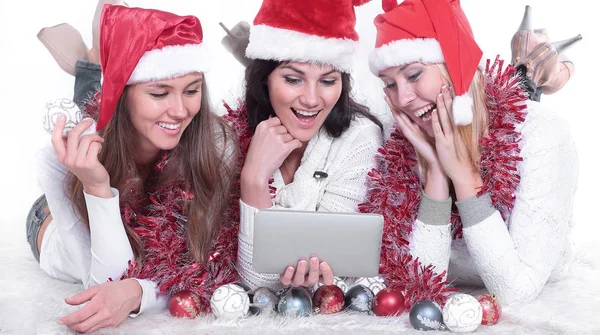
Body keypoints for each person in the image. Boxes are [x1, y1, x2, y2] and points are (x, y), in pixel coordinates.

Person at [27, 5, 237, 332]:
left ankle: (98, 56)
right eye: (159, 92)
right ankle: (91, 64)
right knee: (90, 115)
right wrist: (96, 188)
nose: (181, 110)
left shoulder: (215, 141)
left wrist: (140, 291)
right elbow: (106, 286)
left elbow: (207, 263)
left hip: (124, 159)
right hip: (53, 220)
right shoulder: (59, 162)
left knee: (102, 113)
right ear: (124, 94)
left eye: (192, 90)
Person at [364, 0, 579, 305]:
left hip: (494, 113)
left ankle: (544, 70)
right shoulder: (399, 137)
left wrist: (464, 178)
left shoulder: (545, 134)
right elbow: (423, 285)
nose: (403, 98)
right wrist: (436, 173)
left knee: (524, 91)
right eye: (388, 84)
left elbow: (515, 291)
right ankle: (532, 69)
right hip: (473, 105)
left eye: (413, 75)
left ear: (451, 66)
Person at [229, 0, 385, 290]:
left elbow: (332, 261)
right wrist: (253, 180)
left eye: (327, 81)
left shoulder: (359, 139)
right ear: (264, 80)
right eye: (293, 79)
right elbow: (257, 283)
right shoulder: (228, 138)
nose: (312, 99)